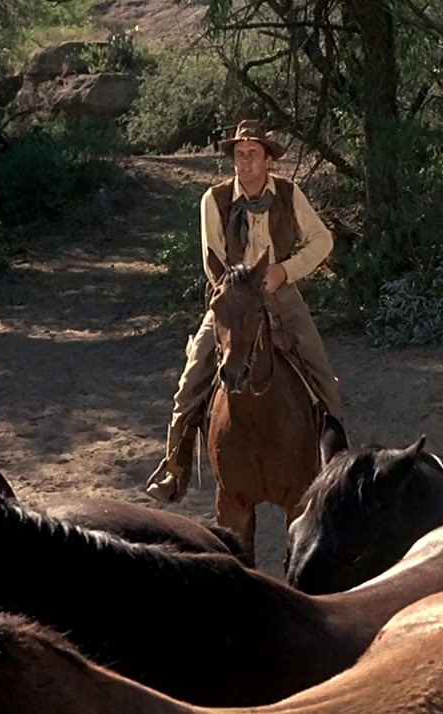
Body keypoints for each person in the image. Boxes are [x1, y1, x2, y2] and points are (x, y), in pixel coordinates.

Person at [144, 119, 344, 503]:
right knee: (190, 380)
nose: (245, 161)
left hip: (280, 292)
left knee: (323, 376)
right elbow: (213, 260)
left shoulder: (288, 194)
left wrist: (285, 270)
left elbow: (322, 240)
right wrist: (238, 288)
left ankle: (336, 464)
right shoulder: (214, 199)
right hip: (234, 298)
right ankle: (174, 468)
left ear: (268, 159)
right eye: (239, 154)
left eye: (253, 153)